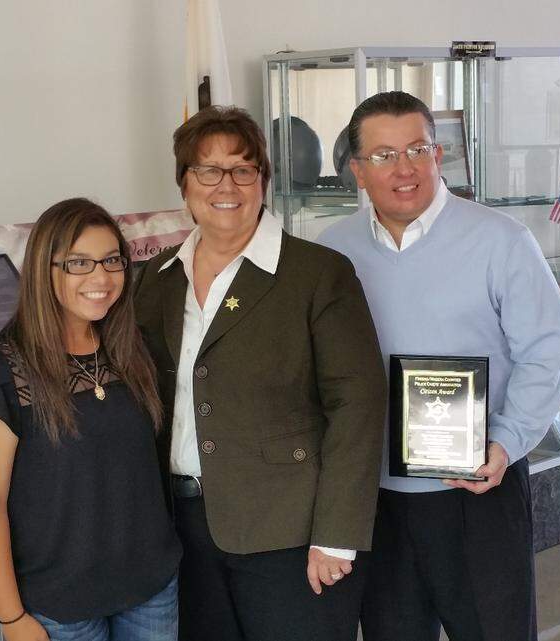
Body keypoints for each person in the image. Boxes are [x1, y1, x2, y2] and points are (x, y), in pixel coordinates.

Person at [317, 90, 560, 641]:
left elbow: (548, 348)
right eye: (383, 156)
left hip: (480, 487)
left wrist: (504, 441)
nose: (403, 168)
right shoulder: (331, 253)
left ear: (439, 156)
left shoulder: (501, 240)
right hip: (375, 498)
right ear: (358, 172)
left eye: (417, 149)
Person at [133, 106, 387, 641]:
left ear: (262, 181)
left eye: (242, 170)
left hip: (291, 535)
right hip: (182, 531)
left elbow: (357, 404)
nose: (226, 185)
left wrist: (337, 536)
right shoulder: (155, 279)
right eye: (208, 170)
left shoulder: (318, 274)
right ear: (185, 184)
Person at [0, 198, 181, 641]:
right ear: (46, 269)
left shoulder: (135, 350)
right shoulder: (1, 370)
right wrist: (10, 618)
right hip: (59, 605)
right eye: (79, 263)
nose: (100, 278)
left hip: (151, 589)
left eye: (111, 261)